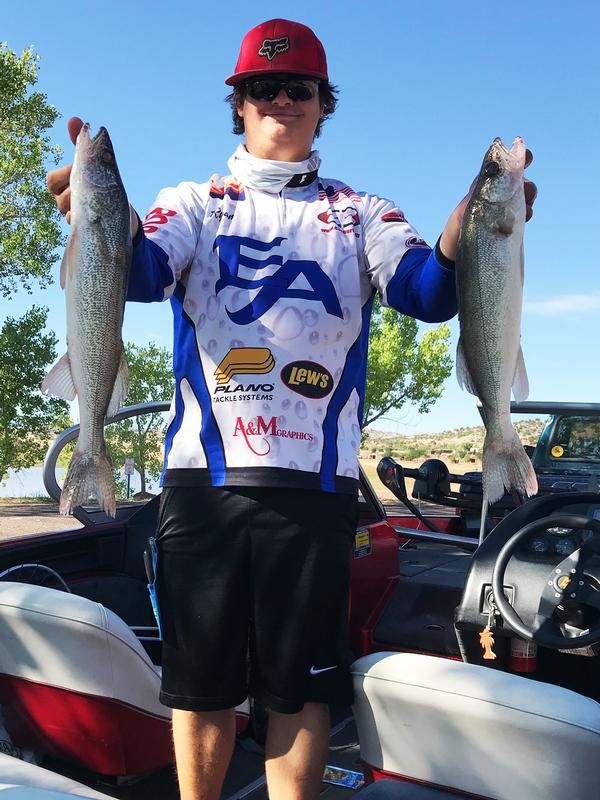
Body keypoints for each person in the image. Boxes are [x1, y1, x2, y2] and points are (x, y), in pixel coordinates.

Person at [47, 18, 536, 800]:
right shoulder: (192, 203)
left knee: (299, 692)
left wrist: (464, 236)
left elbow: (427, 294)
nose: (280, 99)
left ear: (321, 104)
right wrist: (98, 217)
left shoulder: (366, 212)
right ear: (237, 105)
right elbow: (138, 273)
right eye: (260, 88)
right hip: (201, 484)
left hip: (314, 491)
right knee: (201, 689)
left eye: (298, 87)